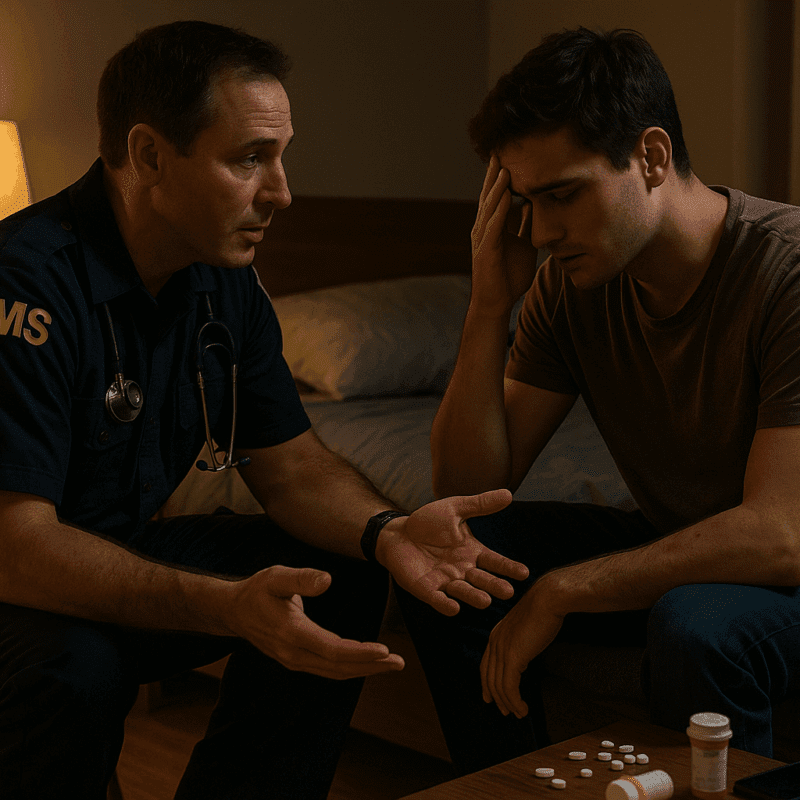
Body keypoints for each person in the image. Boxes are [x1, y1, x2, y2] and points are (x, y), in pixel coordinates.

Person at [0, 20, 530, 800]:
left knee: (333, 576)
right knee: (79, 667)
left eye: (280, 156)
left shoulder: (224, 283)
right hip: (18, 585)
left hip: (108, 560)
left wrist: (387, 533)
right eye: (250, 158)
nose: (282, 191)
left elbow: (293, 467)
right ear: (149, 155)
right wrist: (228, 607)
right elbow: (18, 548)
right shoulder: (28, 282)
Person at [394, 25, 800, 775]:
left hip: (786, 569)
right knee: (443, 555)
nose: (542, 232)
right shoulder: (572, 284)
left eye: (562, 196)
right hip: (698, 549)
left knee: (697, 624)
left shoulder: (787, 272)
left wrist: (565, 590)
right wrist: (489, 307)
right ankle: (513, 787)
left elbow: (782, 534)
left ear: (649, 157)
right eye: (525, 202)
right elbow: (469, 492)